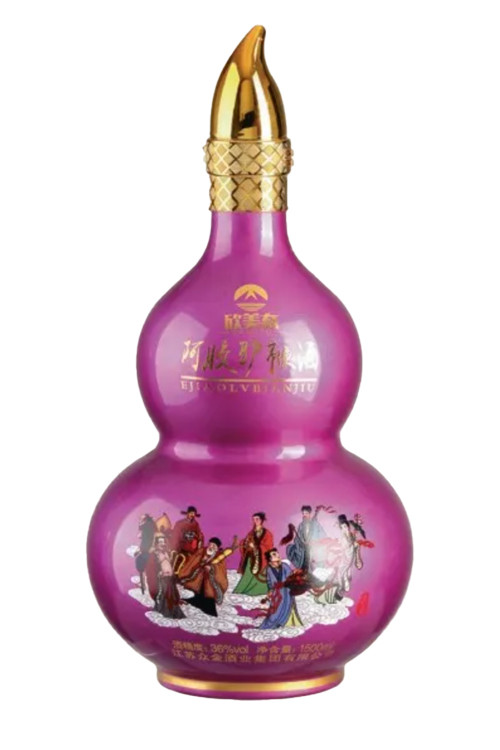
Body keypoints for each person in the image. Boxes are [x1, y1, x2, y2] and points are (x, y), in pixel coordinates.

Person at [179, 536, 238, 617]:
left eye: (213, 545)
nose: (211, 546)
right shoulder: (202, 551)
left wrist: (212, 568)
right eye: (210, 544)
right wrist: (201, 562)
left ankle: (208, 608)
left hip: (209, 580)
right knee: (197, 590)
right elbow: (194, 561)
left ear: (217, 548)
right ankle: (195, 601)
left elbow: (220, 568)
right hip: (199, 576)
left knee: (208, 593)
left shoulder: (219, 556)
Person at [259, 549, 303, 629]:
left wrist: (293, 575)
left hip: (287, 591)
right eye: (274, 555)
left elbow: (290, 577)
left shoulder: (285, 566)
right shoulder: (269, 569)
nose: (278, 556)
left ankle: (284, 622)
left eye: (277, 554)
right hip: (276, 592)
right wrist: (270, 590)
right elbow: (269, 581)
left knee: (287, 606)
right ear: (270, 559)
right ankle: (271, 624)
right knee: (275, 609)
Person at [233, 512, 274, 596]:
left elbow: (268, 546)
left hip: (261, 558)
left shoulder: (267, 533)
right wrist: (244, 543)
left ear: (261, 520)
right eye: (254, 519)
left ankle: (259, 590)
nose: (255, 521)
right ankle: (243, 589)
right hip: (251, 556)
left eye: (257, 519)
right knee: (248, 570)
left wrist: (255, 547)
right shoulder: (251, 532)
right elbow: (246, 541)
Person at [281, 505, 329, 572]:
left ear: (309, 514)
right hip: (303, 551)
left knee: (314, 568)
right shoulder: (301, 525)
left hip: (313, 550)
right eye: (303, 513)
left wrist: (315, 542)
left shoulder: (315, 524)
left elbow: (323, 535)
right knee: (290, 549)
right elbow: (297, 539)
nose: (304, 515)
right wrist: (300, 543)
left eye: (306, 513)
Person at [151, 534, 185, 619]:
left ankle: (172, 612)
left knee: (171, 595)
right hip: (163, 578)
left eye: (163, 542)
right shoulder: (155, 553)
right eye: (160, 542)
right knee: (166, 594)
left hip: (170, 577)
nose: (162, 544)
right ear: (156, 543)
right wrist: (159, 572)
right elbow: (153, 566)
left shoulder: (166, 552)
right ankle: (166, 612)